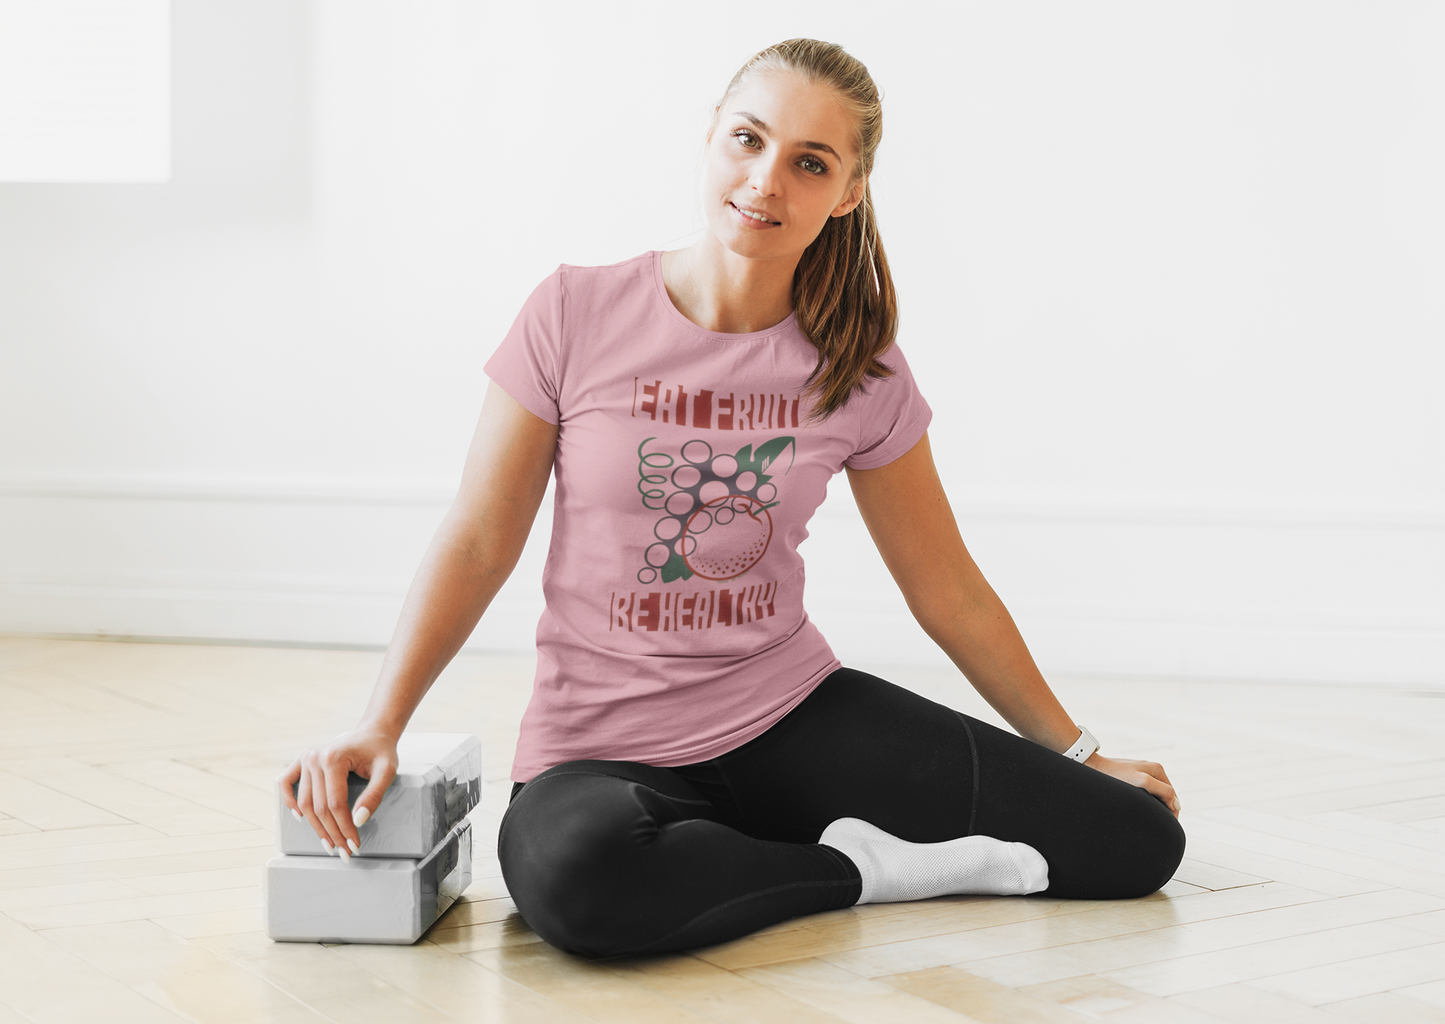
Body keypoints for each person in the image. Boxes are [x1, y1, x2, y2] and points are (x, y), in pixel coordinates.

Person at [280, 37, 1185, 960]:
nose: (764, 181)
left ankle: (744, 860)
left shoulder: (858, 366)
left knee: (1136, 840)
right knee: (581, 884)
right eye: (748, 140)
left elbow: (945, 588)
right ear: (711, 134)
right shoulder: (573, 312)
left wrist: (1079, 754)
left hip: (790, 717)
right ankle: (864, 871)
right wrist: (379, 722)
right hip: (600, 746)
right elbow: (479, 539)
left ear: (849, 191)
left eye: (809, 163)